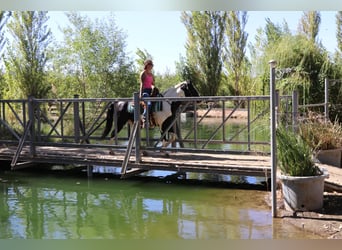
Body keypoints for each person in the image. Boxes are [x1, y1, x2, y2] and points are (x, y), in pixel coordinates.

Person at [139, 59, 156, 128]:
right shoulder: (143, 73)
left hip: (151, 91)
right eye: (150, 65)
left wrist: (153, 88)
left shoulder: (152, 74)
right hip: (145, 91)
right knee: (148, 104)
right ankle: (144, 117)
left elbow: (152, 84)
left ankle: (153, 120)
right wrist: (140, 94)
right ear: (146, 65)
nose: (151, 66)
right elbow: (141, 84)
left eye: (151, 65)